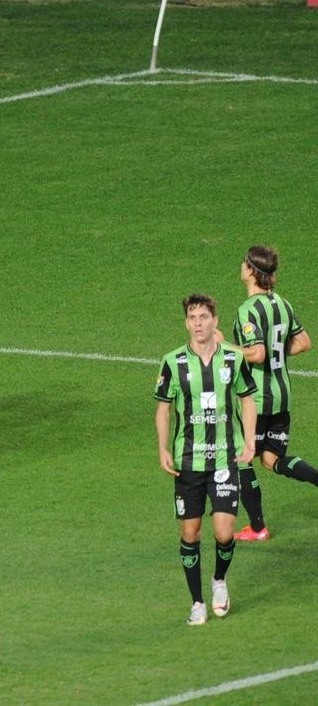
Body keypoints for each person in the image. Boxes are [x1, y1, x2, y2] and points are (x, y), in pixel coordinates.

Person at [154, 294, 257, 625]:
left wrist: (250, 441)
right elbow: (163, 408)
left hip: (226, 459)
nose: (197, 323)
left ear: (215, 321)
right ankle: (197, 602)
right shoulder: (172, 362)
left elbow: (247, 399)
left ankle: (219, 580)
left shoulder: (233, 359)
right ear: (186, 323)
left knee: (225, 533)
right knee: (191, 532)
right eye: (191, 318)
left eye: (202, 317)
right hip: (188, 462)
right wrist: (163, 447)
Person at [228, 246, 314, 542]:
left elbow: (257, 353)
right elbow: (304, 342)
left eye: (244, 263)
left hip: (257, 400)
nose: (241, 266)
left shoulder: (247, 310)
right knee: (271, 460)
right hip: (283, 396)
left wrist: (225, 348)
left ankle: (257, 527)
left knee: (242, 458)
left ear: (251, 271)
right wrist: (277, 352)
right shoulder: (283, 304)